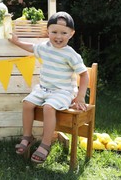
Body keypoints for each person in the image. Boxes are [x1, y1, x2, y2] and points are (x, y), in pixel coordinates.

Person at [8, 11, 89, 164]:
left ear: (71, 34)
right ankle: (27, 136)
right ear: (48, 31)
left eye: (63, 33)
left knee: (48, 108)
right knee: (27, 103)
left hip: (63, 92)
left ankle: (45, 144)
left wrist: (80, 96)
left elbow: (84, 75)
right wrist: (17, 42)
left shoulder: (71, 54)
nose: (58, 37)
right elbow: (32, 48)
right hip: (44, 89)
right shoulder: (45, 47)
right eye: (54, 32)